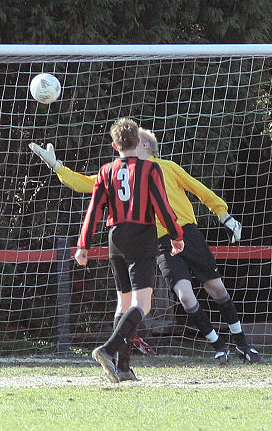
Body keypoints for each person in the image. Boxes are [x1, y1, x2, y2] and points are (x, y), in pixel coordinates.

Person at [30, 129, 263, 371]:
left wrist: (223, 214)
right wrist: (57, 166)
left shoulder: (165, 167)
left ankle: (242, 344)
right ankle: (218, 345)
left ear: (144, 146)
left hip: (188, 235)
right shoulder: (126, 172)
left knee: (216, 288)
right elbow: (87, 184)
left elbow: (198, 189)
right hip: (161, 241)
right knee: (184, 296)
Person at [74, 118, 185, 383]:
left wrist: (83, 245)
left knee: (123, 304)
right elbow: (162, 207)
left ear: (115, 145)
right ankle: (108, 350)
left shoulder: (105, 171)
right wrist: (176, 235)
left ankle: (123, 368)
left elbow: (94, 210)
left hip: (116, 238)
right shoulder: (150, 169)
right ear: (138, 141)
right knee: (142, 305)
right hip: (141, 236)